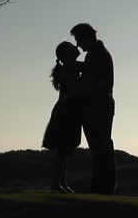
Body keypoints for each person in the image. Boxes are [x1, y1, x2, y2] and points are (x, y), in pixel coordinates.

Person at [70, 23, 116, 194]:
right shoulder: (98, 54)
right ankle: (102, 187)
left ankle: (102, 188)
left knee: (100, 147)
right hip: (102, 105)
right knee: (101, 147)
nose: (77, 45)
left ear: (85, 37)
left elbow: (93, 80)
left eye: (78, 40)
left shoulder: (96, 55)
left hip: (97, 106)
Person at [42, 41, 82, 193]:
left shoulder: (69, 67)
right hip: (66, 111)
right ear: (67, 54)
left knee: (65, 151)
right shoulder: (70, 68)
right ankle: (56, 184)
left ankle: (61, 182)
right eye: (73, 47)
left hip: (67, 110)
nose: (76, 47)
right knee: (62, 150)